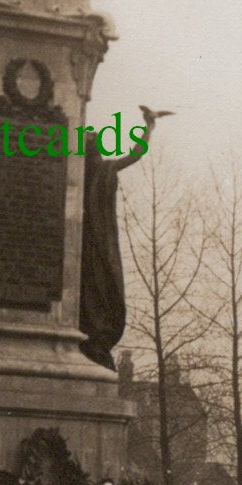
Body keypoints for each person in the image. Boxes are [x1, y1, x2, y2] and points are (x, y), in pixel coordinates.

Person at [78, 128, 148, 370]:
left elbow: (134, 155)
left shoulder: (100, 168)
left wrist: (148, 129)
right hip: (85, 241)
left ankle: (94, 340)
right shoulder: (75, 169)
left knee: (96, 290)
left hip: (95, 241)